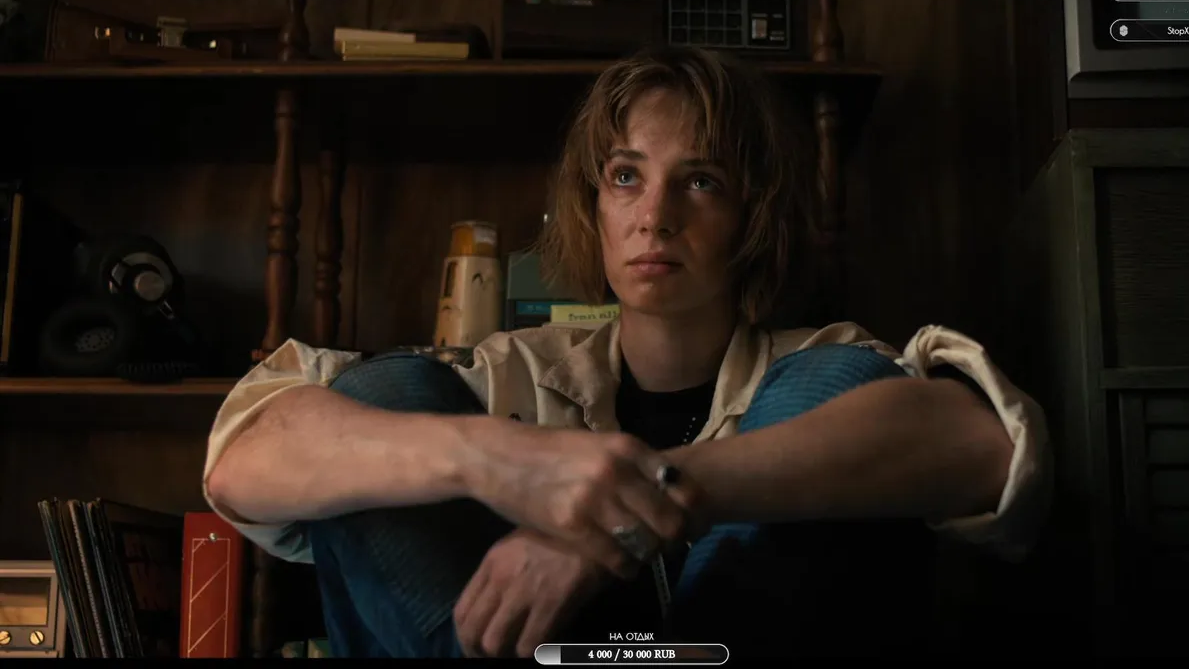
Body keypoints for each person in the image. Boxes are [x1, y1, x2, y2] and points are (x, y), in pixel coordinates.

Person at [202, 46, 1050, 659]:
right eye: (625, 177)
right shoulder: (509, 371)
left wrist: (631, 509)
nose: (655, 216)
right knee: (384, 395)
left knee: (842, 388)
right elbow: (245, 458)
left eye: (701, 180)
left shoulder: (826, 362)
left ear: (751, 216)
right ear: (595, 206)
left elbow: (985, 447)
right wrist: (494, 459)